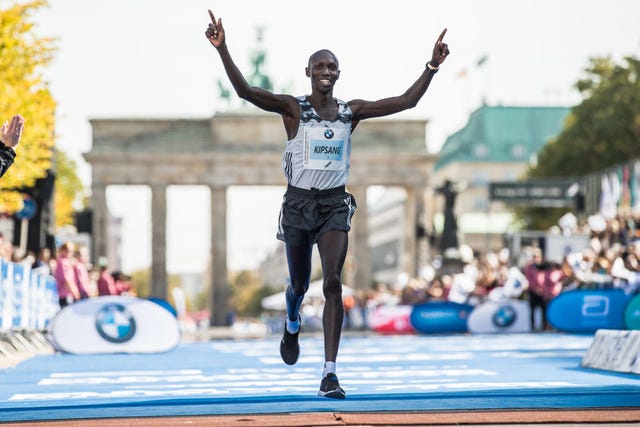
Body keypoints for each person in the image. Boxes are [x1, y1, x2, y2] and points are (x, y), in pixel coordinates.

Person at [205, 9, 449, 399]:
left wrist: (432, 66)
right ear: (308, 72)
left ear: (338, 74)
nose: (326, 71)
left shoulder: (352, 112)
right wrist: (223, 48)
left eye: (332, 66)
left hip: (335, 204)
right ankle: (292, 318)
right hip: (299, 206)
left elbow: (406, 102)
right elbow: (246, 92)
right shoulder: (292, 109)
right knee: (300, 284)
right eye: (319, 65)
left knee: (332, 282)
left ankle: (329, 373)